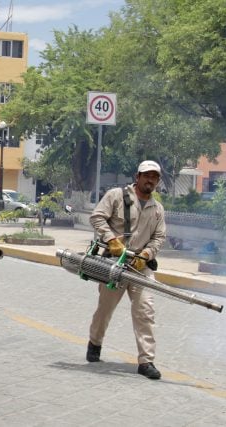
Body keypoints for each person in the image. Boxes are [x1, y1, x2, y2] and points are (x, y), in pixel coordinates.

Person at [86, 160, 166, 380]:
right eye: (147, 175)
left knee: (145, 311)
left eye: (155, 177)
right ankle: (95, 343)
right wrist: (111, 239)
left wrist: (147, 255)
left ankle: (146, 361)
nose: (150, 180)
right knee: (105, 309)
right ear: (137, 176)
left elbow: (159, 237)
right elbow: (97, 217)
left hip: (141, 267)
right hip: (114, 263)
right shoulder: (116, 196)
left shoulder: (157, 208)